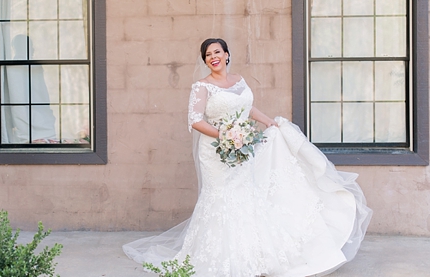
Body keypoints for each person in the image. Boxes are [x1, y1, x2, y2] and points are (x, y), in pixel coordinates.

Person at [123, 38, 372, 277]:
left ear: (227, 54)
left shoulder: (239, 80)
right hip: (216, 153)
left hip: (243, 148)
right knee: (221, 199)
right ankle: (219, 257)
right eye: (208, 55)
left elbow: (246, 108)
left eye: (217, 52)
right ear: (205, 61)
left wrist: (267, 121)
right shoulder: (201, 86)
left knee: (245, 198)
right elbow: (195, 120)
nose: (213, 57)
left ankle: (252, 256)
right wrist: (225, 135)